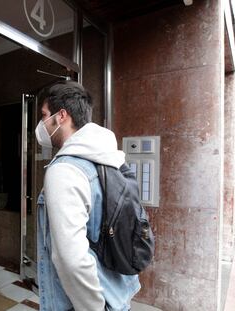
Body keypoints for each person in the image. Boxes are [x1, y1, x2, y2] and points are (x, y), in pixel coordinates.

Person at [35, 81, 140, 311]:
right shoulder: (107, 158)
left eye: (44, 115)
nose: (41, 124)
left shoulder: (64, 171)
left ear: (61, 116)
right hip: (116, 294)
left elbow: (71, 260)